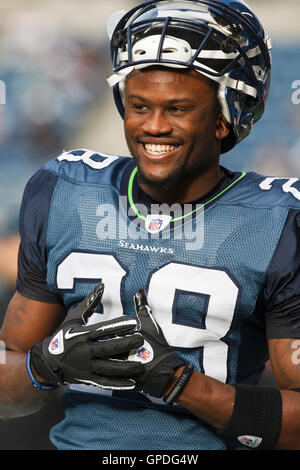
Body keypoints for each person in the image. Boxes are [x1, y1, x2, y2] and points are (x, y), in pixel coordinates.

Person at [1, 0, 300, 451]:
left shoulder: (278, 221)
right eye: (140, 106)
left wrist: (182, 384)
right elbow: (8, 383)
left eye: (178, 109)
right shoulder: (64, 191)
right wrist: (46, 365)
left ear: (225, 116)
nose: (153, 126)